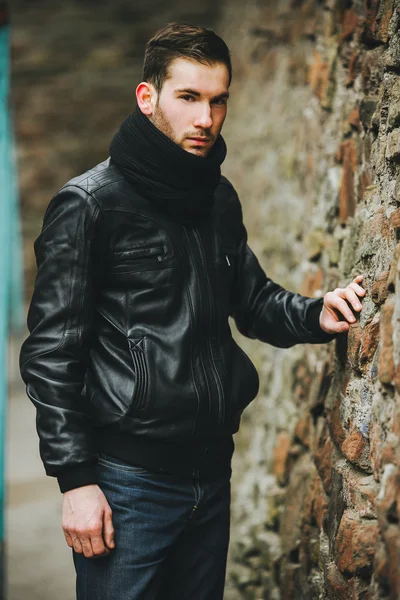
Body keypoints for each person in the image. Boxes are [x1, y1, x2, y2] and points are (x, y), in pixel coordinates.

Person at [20, 22, 366, 600]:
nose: (205, 118)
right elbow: (50, 354)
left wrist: (315, 314)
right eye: (188, 97)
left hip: (211, 474)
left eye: (217, 100)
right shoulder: (88, 205)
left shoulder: (215, 197)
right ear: (147, 96)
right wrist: (76, 482)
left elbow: (251, 300)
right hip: (128, 483)